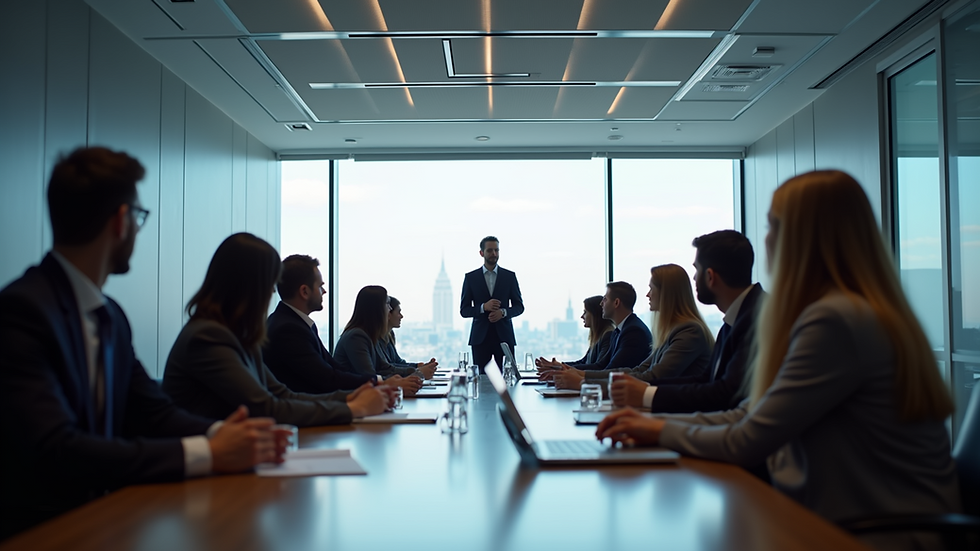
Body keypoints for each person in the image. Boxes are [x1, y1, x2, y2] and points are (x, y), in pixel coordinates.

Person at [597, 171, 959, 551]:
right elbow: (750, 414)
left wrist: (656, 430)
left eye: (772, 226)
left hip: (881, 534)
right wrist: (654, 422)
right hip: (854, 520)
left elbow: (749, 438)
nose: (765, 240)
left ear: (802, 238)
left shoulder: (836, 320)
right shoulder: (849, 311)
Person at [0, 147, 285, 539]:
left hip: (107, 518)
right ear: (122, 220)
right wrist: (208, 452)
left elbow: (153, 413)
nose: (137, 228)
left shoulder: (111, 317)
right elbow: (56, 449)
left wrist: (222, 433)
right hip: (43, 531)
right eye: (139, 217)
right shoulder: (22, 310)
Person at [163, 234, 392, 426]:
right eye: (269, 285)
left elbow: (282, 394)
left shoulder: (239, 336)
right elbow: (267, 407)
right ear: (250, 288)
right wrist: (353, 409)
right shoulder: (208, 336)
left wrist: (351, 397)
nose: (272, 294)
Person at [608, 231, 764, 413]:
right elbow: (706, 380)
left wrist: (646, 394)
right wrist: (642, 390)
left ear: (710, 276)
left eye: (697, 270)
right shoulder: (735, 320)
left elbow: (725, 394)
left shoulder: (756, 318)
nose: (695, 278)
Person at [264, 255, 418, 395]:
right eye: (320, 286)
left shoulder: (300, 324)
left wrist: (380, 382)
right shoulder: (288, 329)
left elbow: (334, 367)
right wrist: (380, 383)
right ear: (304, 291)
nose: (324, 291)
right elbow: (327, 378)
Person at [548, 264, 713, 390]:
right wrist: (579, 374)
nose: (647, 294)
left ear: (666, 294)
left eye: (651, 288)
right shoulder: (673, 331)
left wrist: (584, 382)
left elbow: (653, 377)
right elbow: (640, 370)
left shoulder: (689, 332)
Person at [539, 281, 651, 377]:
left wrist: (570, 374)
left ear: (616, 303)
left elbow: (611, 371)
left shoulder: (633, 331)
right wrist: (561, 367)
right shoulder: (620, 330)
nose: (601, 303)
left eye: (605, 299)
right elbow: (602, 365)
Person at [334, 286, 434, 381]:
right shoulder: (357, 337)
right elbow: (371, 377)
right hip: (352, 397)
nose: (390, 309)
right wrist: (417, 372)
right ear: (377, 309)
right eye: (387, 304)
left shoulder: (371, 334)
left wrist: (417, 370)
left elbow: (384, 367)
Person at [460, 236, 525, 370]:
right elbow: (464, 310)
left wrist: (503, 312)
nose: (494, 254)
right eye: (490, 250)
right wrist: (484, 307)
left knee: (508, 380)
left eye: (496, 250)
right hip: (480, 339)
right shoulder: (471, 278)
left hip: (505, 337)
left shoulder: (509, 277)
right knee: (482, 380)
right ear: (481, 253)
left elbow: (519, 307)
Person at [534, 295, 614, 369]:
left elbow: (598, 367)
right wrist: (557, 366)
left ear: (595, 314)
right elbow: (583, 362)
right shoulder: (599, 336)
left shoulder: (608, 335)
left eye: (585, 312)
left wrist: (560, 367)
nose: (582, 316)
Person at [380, 296, 438, 373]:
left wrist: (418, 366)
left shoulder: (389, 334)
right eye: (398, 312)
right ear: (389, 314)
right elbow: (387, 368)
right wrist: (417, 371)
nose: (401, 316)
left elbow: (397, 362)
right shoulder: (377, 338)